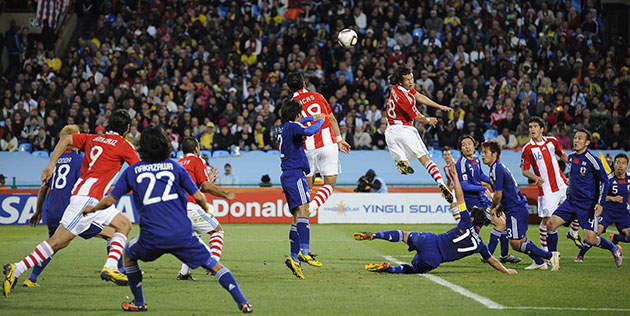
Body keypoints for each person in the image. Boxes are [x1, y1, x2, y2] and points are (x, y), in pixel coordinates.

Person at [80, 126, 252, 313]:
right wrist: (206, 208)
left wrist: (93, 208)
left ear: (141, 148)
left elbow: (110, 200)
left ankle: (139, 302)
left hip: (151, 237)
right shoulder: (175, 168)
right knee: (214, 264)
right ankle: (243, 302)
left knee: (128, 255)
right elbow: (199, 195)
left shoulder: (132, 172)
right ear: (165, 146)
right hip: (181, 234)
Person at [3, 110, 138, 298]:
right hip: (87, 199)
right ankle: (16, 269)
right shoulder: (125, 146)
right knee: (57, 243)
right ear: (127, 129)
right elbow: (139, 169)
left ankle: (111, 267)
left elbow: (66, 139)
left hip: (94, 199)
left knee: (123, 225)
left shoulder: (93, 138)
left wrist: (51, 165)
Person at [353, 158, 517, 275]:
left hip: (430, 240)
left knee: (403, 235)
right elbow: (492, 260)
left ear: (472, 218)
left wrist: (455, 177)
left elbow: (459, 197)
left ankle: (374, 235)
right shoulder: (480, 244)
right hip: (434, 259)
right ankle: (389, 268)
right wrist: (506, 270)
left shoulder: (466, 222)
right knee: (412, 269)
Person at [23, 125, 121, 287]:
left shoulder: (53, 163)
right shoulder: (80, 161)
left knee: (52, 245)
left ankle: (31, 278)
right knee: (113, 233)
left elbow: (43, 189)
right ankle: (120, 270)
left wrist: (38, 211)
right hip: (71, 212)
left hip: (52, 211)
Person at [545, 129, 623, 271]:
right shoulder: (572, 157)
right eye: (575, 138)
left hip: (587, 205)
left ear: (587, 142)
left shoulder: (593, 160)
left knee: (590, 240)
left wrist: (600, 203)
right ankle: (552, 258)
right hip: (571, 202)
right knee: (550, 224)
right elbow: (563, 157)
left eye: (580, 138)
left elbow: (605, 181)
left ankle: (614, 248)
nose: (576, 140)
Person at [287, 72, 347, 233]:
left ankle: (298, 225)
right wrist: (339, 139)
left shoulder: (292, 104)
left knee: (305, 192)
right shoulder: (318, 96)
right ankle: (312, 208)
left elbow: (292, 128)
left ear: (288, 87)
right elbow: (332, 118)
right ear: (304, 83)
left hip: (307, 148)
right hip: (328, 144)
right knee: (329, 184)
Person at [384, 66, 453, 203]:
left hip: (390, 132)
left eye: (412, 79)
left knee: (403, 165)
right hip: (405, 130)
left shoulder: (395, 88)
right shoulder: (406, 99)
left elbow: (419, 96)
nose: (411, 82)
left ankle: (402, 164)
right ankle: (441, 183)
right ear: (401, 81)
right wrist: (429, 120)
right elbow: (418, 117)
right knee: (425, 160)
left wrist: (438, 106)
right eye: (407, 80)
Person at [481, 141, 554, 270]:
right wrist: (501, 206)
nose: (483, 155)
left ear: (494, 154)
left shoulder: (497, 168)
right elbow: (508, 190)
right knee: (519, 241)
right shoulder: (496, 168)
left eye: (485, 152)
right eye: (482, 152)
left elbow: (498, 194)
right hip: (513, 207)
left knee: (516, 244)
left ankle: (550, 256)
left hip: (516, 208)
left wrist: (492, 208)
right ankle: (539, 262)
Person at [277, 98, 326, 279]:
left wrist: (311, 116)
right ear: (297, 114)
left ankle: (293, 258)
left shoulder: (282, 127)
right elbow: (310, 131)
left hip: (287, 175)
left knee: (297, 216)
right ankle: (305, 251)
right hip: (295, 174)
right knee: (305, 210)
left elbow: (300, 123)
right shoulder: (293, 127)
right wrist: (320, 120)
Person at [176, 137, 237, 281]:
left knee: (193, 238)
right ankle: (213, 264)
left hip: (176, 209)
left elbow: (193, 185)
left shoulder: (178, 164)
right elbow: (204, 186)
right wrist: (225, 194)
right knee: (217, 230)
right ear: (196, 149)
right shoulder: (198, 161)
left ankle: (184, 272)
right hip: (190, 207)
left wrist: (207, 180)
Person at [520, 117, 581, 252]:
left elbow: (563, 155)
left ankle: (573, 233)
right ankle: (545, 250)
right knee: (547, 221)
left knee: (577, 208)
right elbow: (524, 170)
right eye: (530, 127)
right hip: (547, 190)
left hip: (562, 184)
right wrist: (535, 177)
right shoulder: (527, 149)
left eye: (535, 126)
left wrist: (575, 165)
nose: (532, 129)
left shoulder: (553, 141)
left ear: (542, 129)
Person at [456, 135, 519, 264]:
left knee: (504, 220)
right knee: (500, 223)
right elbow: (464, 185)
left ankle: (504, 255)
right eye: (464, 145)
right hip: (473, 201)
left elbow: (480, 175)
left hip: (481, 198)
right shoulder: (461, 163)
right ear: (461, 149)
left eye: (469, 144)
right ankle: (488, 256)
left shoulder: (477, 160)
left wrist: (491, 181)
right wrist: (482, 187)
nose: (467, 146)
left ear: (474, 146)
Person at [575, 153, 630, 261]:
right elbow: (596, 196)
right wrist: (612, 198)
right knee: (594, 233)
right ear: (614, 164)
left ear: (627, 166)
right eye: (618, 162)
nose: (620, 165)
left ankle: (615, 238)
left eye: (623, 163)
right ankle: (580, 255)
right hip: (607, 211)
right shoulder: (608, 179)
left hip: (622, 212)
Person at [442, 148, 459, 222]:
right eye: (445, 155)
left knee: (455, 205)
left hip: (462, 186)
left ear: (451, 155)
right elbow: (449, 179)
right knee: (453, 205)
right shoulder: (445, 168)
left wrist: (456, 184)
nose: (447, 156)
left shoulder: (456, 164)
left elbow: (460, 175)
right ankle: (459, 224)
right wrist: (445, 190)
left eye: (448, 154)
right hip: (456, 187)